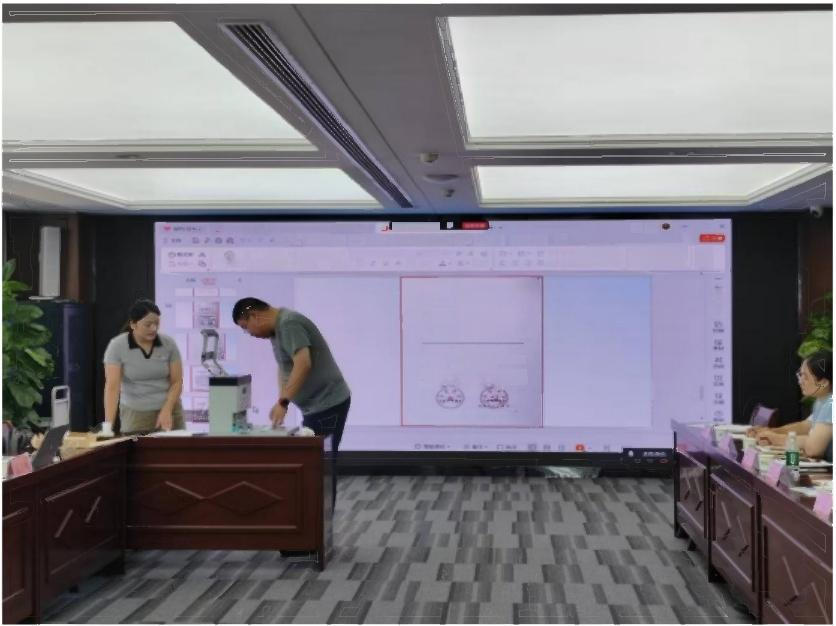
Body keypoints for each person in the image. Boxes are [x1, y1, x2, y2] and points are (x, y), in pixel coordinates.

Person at [231, 297, 351, 453]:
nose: (249, 333)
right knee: (311, 457)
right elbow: (285, 368)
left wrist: (283, 402)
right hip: (315, 406)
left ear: (254, 316)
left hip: (327, 403)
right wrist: (281, 400)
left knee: (318, 459)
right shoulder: (276, 331)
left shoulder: (289, 324)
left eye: (245, 327)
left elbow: (303, 363)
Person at [103, 299, 184, 435]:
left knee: (175, 448)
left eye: (156, 324)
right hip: (136, 415)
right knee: (138, 448)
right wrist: (108, 427)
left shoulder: (168, 344)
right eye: (148, 325)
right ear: (133, 324)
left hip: (170, 412)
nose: (154, 328)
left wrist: (167, 408)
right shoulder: (117, 346)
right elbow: (112, 387)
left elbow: (177, 382)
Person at [748, 350, 832, 462]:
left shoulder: (831, 403)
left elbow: (813, 448)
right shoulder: (822, 400)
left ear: (824, 382)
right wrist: (771, 431)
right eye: (800, 375)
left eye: (805, 377)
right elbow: (805, 426)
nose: (800, 381)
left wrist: (776, 438)